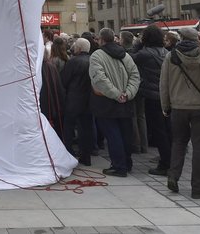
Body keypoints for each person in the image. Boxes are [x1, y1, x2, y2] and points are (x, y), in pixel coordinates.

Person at [160, 26, 200, 200]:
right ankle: (198, 187)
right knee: (199, 146)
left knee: (178, 143)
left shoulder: (171, 57)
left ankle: (173, 177)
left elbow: (164, 84)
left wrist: (166, 106)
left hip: (178, 107)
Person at [88, 27, 140, 177]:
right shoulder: (125, 55)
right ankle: (127, 163)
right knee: (125, 134)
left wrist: (116, 94)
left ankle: (119, 166)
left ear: (101, 40)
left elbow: (99, 79)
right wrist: (128, 93)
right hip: (126, 101)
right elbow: (135, 75)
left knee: (113, 135)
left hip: (107, 102)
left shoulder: (97, 55)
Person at [132, 24, 170, 176]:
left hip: (151, 95)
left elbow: (130, 58)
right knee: (168, 129)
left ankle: (165, 163)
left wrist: (139, 44)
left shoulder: (144, 54)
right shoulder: (166, 53)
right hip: (166, 95)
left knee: (158, 131)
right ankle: (170, 159)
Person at [60, 37, 94, 165]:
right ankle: (86, 155)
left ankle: (68, 152)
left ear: (78, 48)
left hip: (74, 99)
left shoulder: (73, 62)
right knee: (86, 128)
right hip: (89, 99)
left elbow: (64, 80)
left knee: (69, 127)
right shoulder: (92, 61)